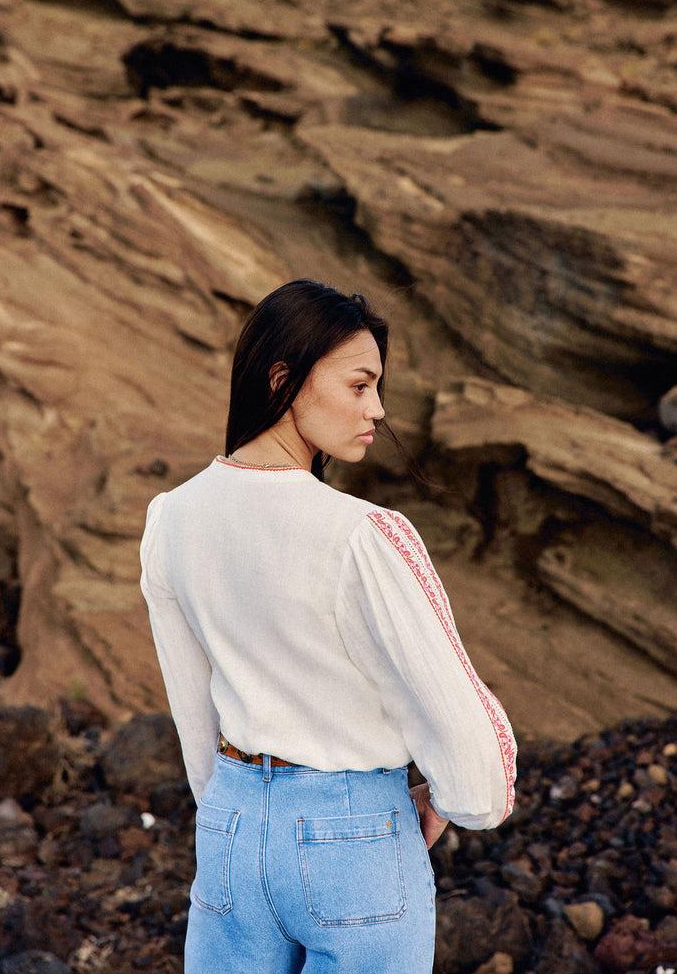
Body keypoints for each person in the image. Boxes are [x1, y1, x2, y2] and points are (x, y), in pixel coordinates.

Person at [139, 279, 518, 974]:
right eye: (359, 384)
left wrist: (230, 812)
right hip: (353, 835)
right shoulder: (366, 534)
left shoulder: (171, 518)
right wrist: (458, 795)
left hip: (230, 825)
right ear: (283, 378)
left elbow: (194, 709)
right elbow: (466, 735)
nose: (377, 408)